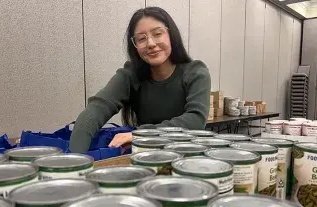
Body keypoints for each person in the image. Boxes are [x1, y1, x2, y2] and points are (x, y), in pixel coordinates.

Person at [69, 7, 211, 153]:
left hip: (187, 158)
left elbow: (195, 120)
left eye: (157, 34)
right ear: (135, 46)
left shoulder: (196, 72)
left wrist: (141, 134)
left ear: (171, 35)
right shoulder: (131, 74)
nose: (150, 43)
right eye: (141, 39)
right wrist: (75, 161)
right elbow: (96, 110)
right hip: (145, 159)